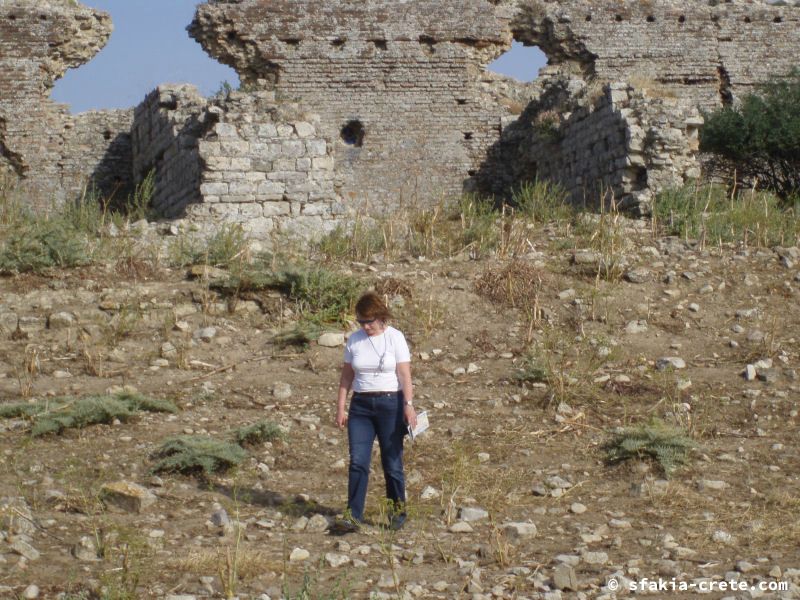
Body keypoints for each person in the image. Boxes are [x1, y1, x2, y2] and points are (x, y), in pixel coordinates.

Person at [335, 292, 416, 531]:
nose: (366, 326)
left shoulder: (395, 338)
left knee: (391, 461)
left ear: (381, 317)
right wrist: (341, 407)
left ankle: (397, 513)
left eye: (369, 321)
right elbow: (346, 376)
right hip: (361, 405)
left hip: (390, 403)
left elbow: (404, 374)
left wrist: (408, 405)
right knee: (358, 461)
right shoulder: (355, 340)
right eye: (361, 322)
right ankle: (353, 515)